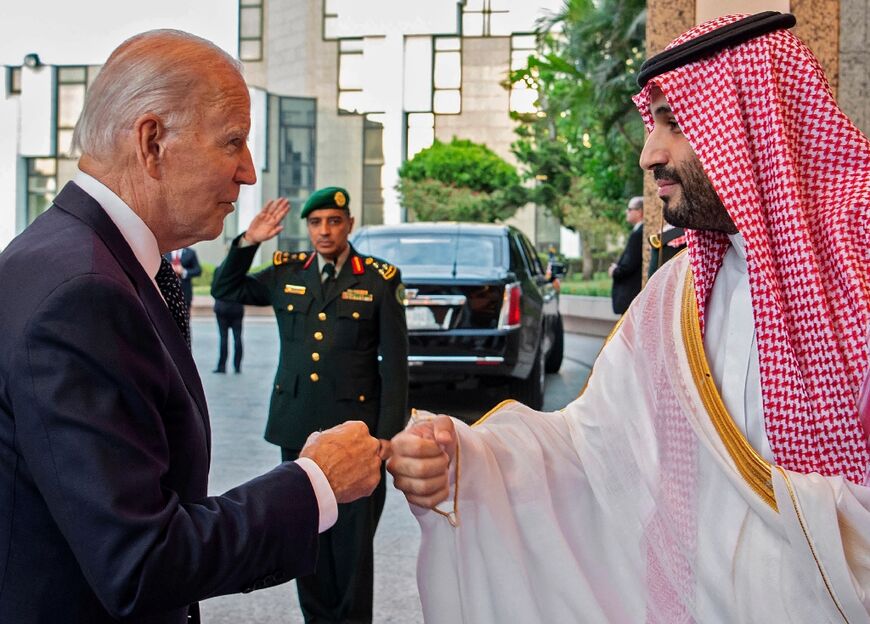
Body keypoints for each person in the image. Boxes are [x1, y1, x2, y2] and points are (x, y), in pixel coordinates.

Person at [387, 12, 870, 622]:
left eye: (675, 121)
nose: (650, 153)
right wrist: (468, 462)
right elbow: (590, 450)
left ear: (754, 122)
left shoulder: (861, 274)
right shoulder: (677, 296)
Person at [0, 30, 388, 623]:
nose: (249, 172)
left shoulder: (76, 258)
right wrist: (316, 483)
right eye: (233, 142)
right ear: (152, 141)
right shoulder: (83, 291)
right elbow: (142, 560)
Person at [212, 187, 409, 623]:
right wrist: (250, 241)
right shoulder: (287, 271)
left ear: (349, 225)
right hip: (299, 428)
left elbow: (395, 366)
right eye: (316, 222)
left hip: (358, 435)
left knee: (353, 550)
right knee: (310, 537)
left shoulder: (379, 278)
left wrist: (387, 437)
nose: (325, 231)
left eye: (334, 221)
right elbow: (226, 288)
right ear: (307, 228)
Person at [608, 195, 644, 313]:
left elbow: (628, 265)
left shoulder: (638, 234)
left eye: (629, 209)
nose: (626, 212)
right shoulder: (638, 231)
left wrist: (615, 271)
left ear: (639, 212)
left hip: (631, 296)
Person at [213, 297, 244, 373]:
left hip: (222, 308)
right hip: (237, 308)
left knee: (223, 338)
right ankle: (237, 366)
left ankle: (222, 366)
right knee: (237, 338)